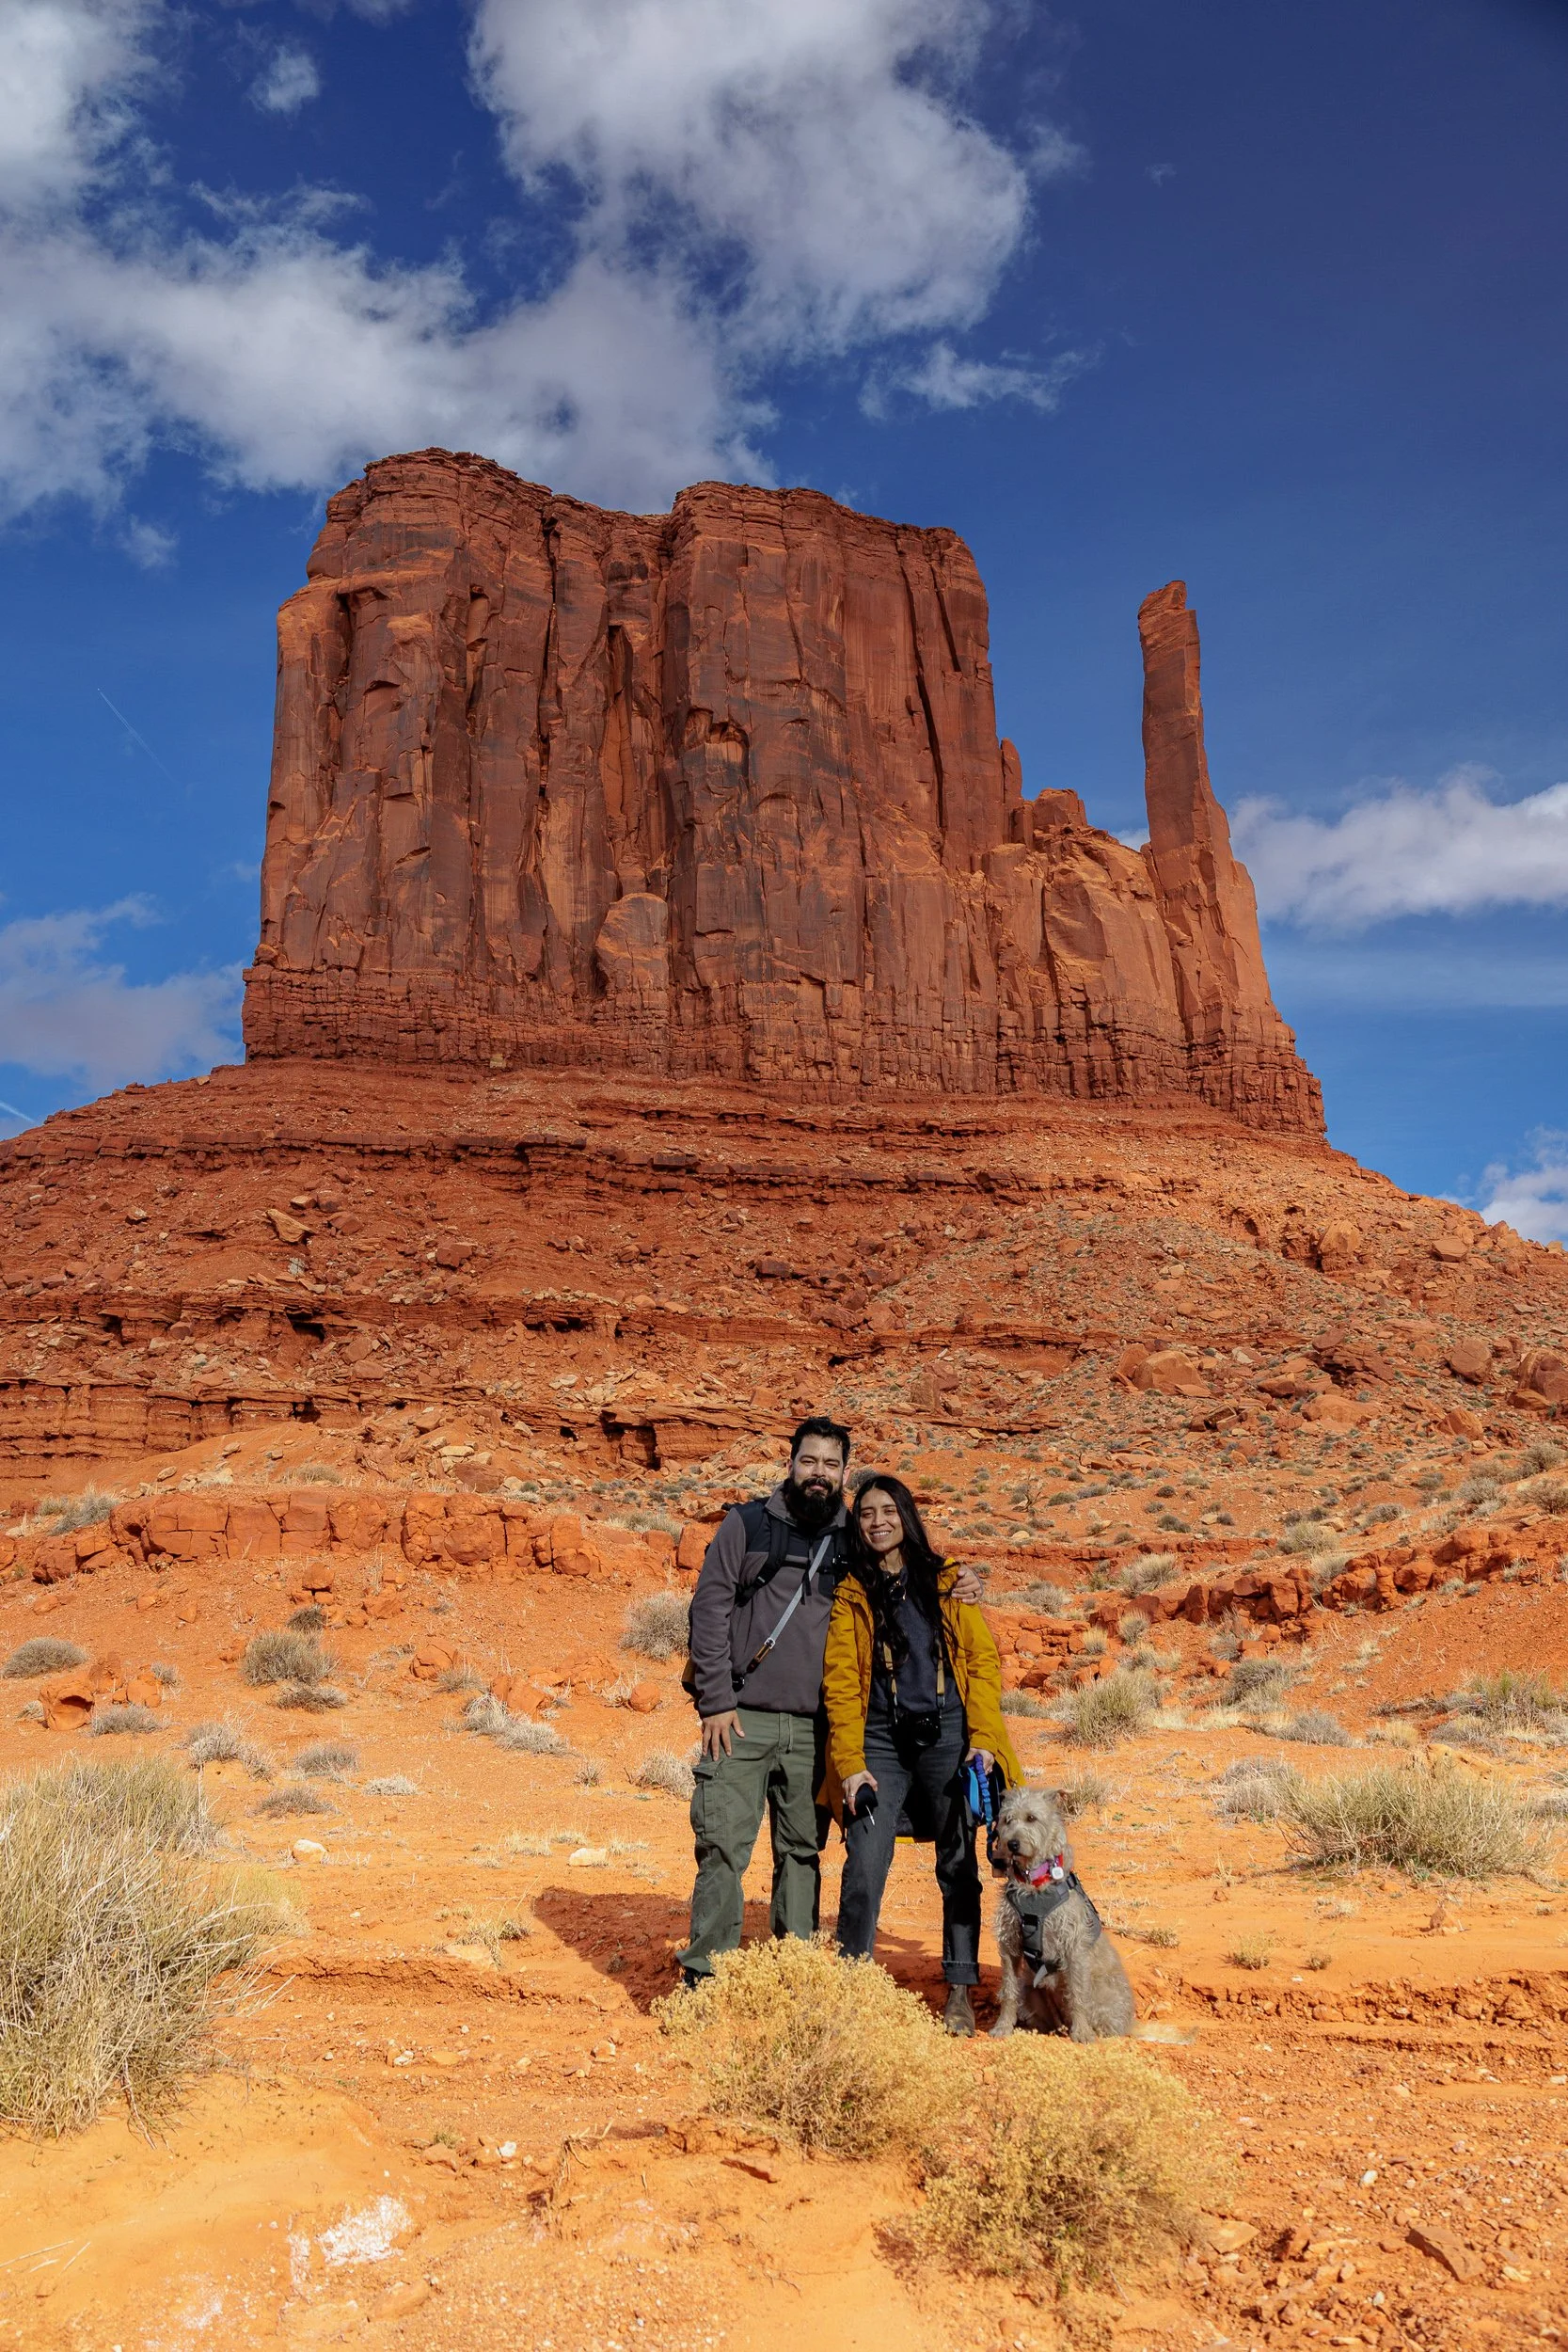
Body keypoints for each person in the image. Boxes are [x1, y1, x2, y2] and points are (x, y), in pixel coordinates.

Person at [822, 1473, 1022, 2036]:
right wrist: (850, 1761)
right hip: (880, 1739)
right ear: (856, 1525)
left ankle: (959, 1989)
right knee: (863, 1858)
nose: (878, 1521)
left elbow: (982, 1665)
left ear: (906, 1516)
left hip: (949, 1734)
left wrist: (981, 1740)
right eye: (866, 1513)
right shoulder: (851, 1592)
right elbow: (840, 1682)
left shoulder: (948, 1581)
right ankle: (851, 1985)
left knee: (958, 1864)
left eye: (888, 1510)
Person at [676, 1416, 856, 1982]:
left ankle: (791, 1978)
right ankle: (705, 1976)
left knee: (801, 1854)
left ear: (844, 1472)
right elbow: (708, 1610)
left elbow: (912, 1580)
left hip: (814, 1729)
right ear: (791, 1464)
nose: (819, 1474)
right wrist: (715, 1702)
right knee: (723, 1848)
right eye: (809, 1461)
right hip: (739, 1719)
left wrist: (960, 1582)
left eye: (830, 1464)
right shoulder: (748, 1524)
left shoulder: (855, 1537)